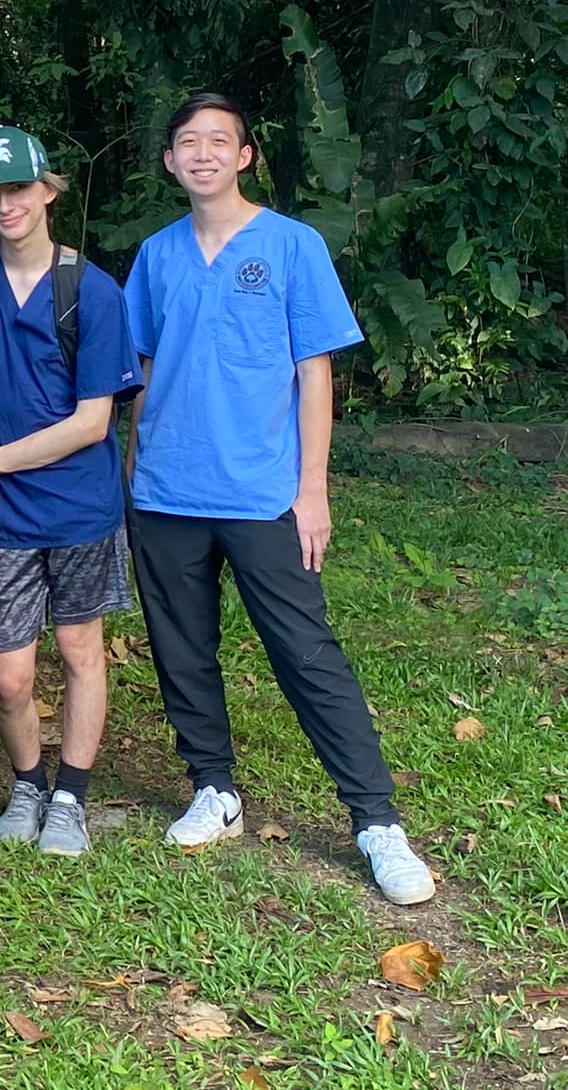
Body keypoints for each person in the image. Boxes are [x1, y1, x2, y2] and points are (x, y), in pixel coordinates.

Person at [123, 92, 434, 904]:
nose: (202, 154)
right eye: (187, 142)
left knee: (306, 653)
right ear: (169, 160)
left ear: (246, 155)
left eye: (218, 141)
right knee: (183, 650)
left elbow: (314, 373)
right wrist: (133, 474)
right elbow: (146, 373)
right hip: (165, 490)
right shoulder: (156, 256)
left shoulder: (293, 246)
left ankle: (376, 822)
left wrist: (313, 490)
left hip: (262, 492)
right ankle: (213, 787)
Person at [0, 126, 141, 857]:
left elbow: (92, 423)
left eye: (19, 189)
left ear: (48, 191)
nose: (7, 205)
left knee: (79, 649)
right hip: (2, 517)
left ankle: (70, 793)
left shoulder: (90, 290)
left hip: (76, 505)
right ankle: (28, 780)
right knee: (9, 674)